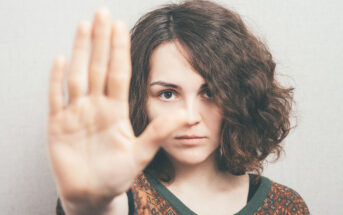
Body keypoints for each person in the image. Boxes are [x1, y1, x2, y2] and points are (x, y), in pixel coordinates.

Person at [47, 0, 310, 214]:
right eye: (168, 94)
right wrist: (87, 207)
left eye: (209, 92)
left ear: (241, 95)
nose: (190, 117)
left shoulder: (284, 206)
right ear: (138, 100)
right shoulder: (120, 196)